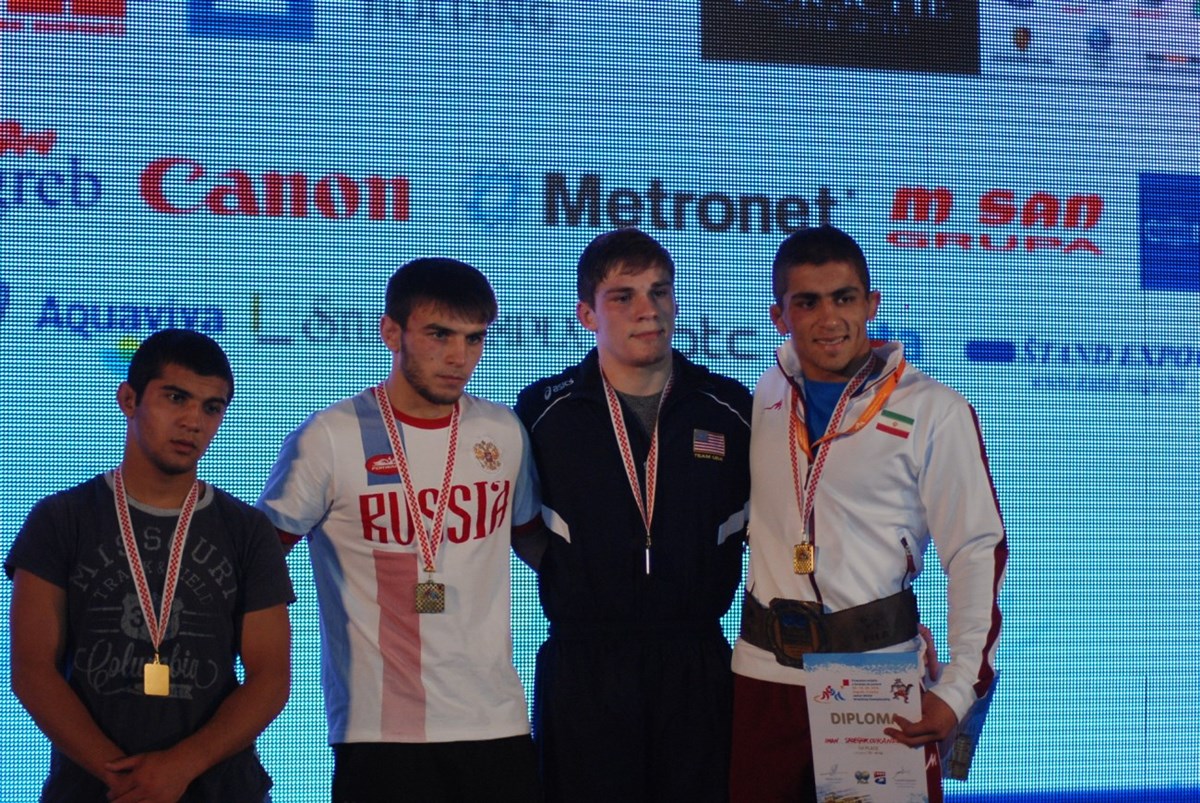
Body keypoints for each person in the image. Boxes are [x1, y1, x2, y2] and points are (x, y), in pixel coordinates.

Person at [728, 225, 1009, 803]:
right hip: (763, 678)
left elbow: (976, 550)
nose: (829, 318)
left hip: (874, 679)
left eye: (844, 297)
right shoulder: (766, 394)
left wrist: (959, 688)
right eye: (807, 302)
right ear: (780, 316)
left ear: (871, 303)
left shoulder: (934, 411)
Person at [256, 258, 542, 803]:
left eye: (474, 338)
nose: (459, 357)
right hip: (379, 732)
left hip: (497, 722)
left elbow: (534, 542)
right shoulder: (330, 436)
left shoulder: (502, 431)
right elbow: (259, 558)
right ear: (392, 332)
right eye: (439, 335)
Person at [6, 328, 294, 803]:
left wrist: (181, 766)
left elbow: (271, 678)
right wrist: (126, 780)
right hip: (93, 788)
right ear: (129, 399)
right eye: (175, 398)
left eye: (211, 407)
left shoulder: (247, 530)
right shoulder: (61, 519)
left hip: (220, 788)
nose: (193, 422)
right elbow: (33, 670)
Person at [515, 228, 751, 803]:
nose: (649, 310)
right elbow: (521, 526)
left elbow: (761, 520)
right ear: (586, 315)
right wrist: (578, 569)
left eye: (660, 291)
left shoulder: (730, 406)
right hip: (585, 662)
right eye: (623, 296)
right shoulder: (544, 410)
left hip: (696, 659)